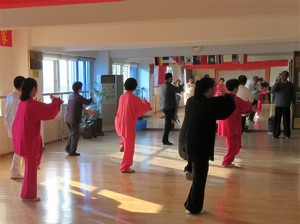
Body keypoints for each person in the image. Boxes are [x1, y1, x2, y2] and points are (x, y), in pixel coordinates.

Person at [179, 77, 235, 214]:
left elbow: (213, 102)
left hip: (186, 142)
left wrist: (223, 95)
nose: (215, 90)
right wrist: (226, 94)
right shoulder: (208, 105)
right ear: (209, 90)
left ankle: (189, 168)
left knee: (195, 165)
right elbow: (228, 108)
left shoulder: (191, 101)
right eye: (214, 88)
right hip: (199, 146)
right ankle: (193, 207)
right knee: (200, 178)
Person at [12, 78, 63, 202]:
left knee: (29, 168)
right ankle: (28, 195)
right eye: (36, 88)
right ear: (33, 89)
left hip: (21, 139)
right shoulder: (32, 104)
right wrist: (56, 101)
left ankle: (26, 194)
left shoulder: (22, 103)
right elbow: (50, 112)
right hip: (29, 141)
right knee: (30, 170)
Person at [115, 78, 151, 173]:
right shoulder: (133, 98)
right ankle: (125, 167)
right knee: (129, 147)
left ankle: (122, 143)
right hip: (128, 124)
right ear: (134, 87)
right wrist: (146, 103)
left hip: (119, 121)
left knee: (124, 136)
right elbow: (142, 109)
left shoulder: (122, 96)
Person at [218, 79, 255, 167]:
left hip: (225, 123)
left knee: (232, 144)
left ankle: (228, 161)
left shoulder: (224, 97)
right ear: (235, 88)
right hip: (232, 124)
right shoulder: (235, 99)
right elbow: (246, 106)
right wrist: (251, 108)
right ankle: (226, 162)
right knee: (233, 145)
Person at [5, 76, 26, 179]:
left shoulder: (10, 95)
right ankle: (15, 172)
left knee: (19, 150)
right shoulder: (17, 98)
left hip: (11, 125)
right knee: (19, 150)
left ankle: (15, 171)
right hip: (16, 127)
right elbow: (16, 115)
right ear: (22, 85)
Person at [65, 82, 93, 156]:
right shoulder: (78, 96)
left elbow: (79, 106)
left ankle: (68, 148)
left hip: (67, 118)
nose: (81, 89)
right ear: (79, 88)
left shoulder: (70, 95)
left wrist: (87, 111)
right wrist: (91, 97)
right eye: (81, 87)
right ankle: (72, 151)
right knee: (75, 135)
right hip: (74, 118)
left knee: (72, 134)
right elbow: (87, 102)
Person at [160, 73, 183, 145]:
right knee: (167, 124)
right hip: (169, 107)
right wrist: (179, 84)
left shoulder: (163, 85)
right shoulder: (169, 86)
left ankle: (165, 139)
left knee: (167, 123)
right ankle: (165, 140)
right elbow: (179, 89)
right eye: (171, 78)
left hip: (164, 107)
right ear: (169, 78)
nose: (172, 79)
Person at [271, 71, 295, 139]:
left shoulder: (290, 85)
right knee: (277, 120)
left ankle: (287, 134)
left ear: (287, 76)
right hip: (278, 105)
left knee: (286, 121)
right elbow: (272, 91)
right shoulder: (278, 84)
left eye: (284, 75)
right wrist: (277, 82)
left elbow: (293, 94)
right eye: (282, 75)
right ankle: (276, 134)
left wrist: (293, 102)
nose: (283, 77)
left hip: (286, 105)